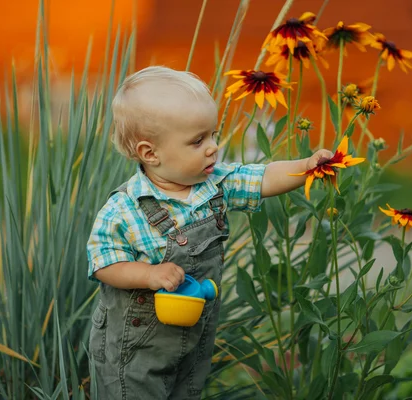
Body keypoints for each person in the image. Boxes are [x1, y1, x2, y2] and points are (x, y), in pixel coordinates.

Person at [87, 65, 332, 399]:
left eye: (213, 135)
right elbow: (104, 264)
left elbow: (262, 178)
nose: (213, 147)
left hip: (192, 340)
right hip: (134, 353)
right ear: (150, 153)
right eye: (198, 140)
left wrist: (305, 167)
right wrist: (149, 274)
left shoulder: (216, 183)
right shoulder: (124, 210)